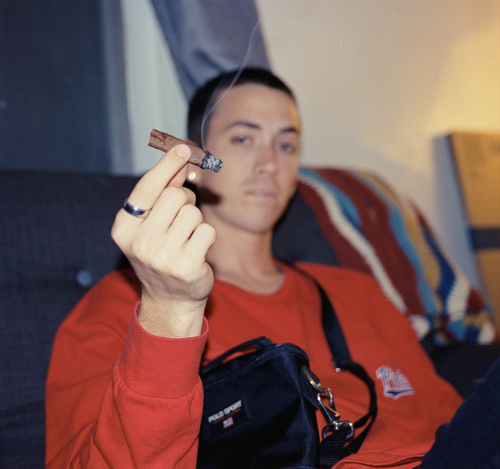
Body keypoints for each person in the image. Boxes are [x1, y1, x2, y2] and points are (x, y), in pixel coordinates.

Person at [45, 68, 500, 468]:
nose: (269, 164)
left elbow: (451, 420)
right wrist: (170, 310)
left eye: (286, 144)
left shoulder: (357, 291)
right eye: (243, 139)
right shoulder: (124, 308)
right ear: (192, 159)